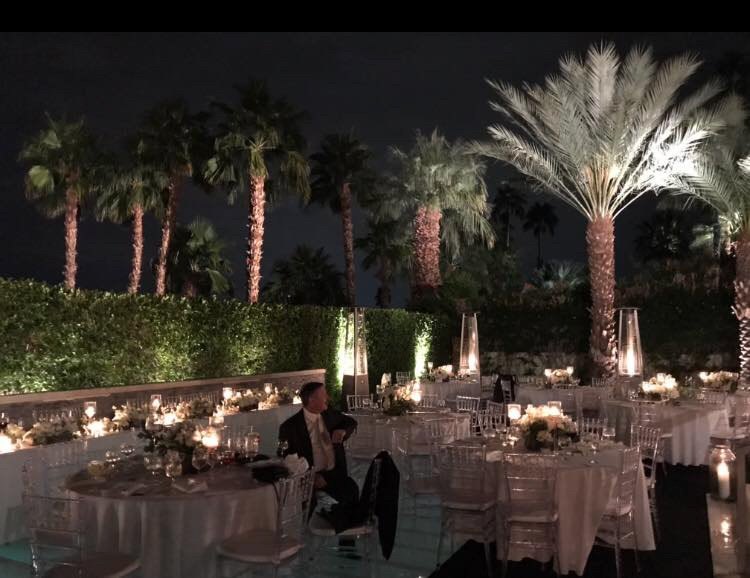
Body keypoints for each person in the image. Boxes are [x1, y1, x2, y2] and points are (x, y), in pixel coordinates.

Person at [278, 381, 359, 508]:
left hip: (335, 474)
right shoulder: (290, 427)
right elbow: (285, 457)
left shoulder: (329, 414)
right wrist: (310, 476)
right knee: (313, 505)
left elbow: (351, 422)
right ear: (312, 399)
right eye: (324, 394)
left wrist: (342, 431)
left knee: (352, 490)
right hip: (310, 480)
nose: (328, 397)